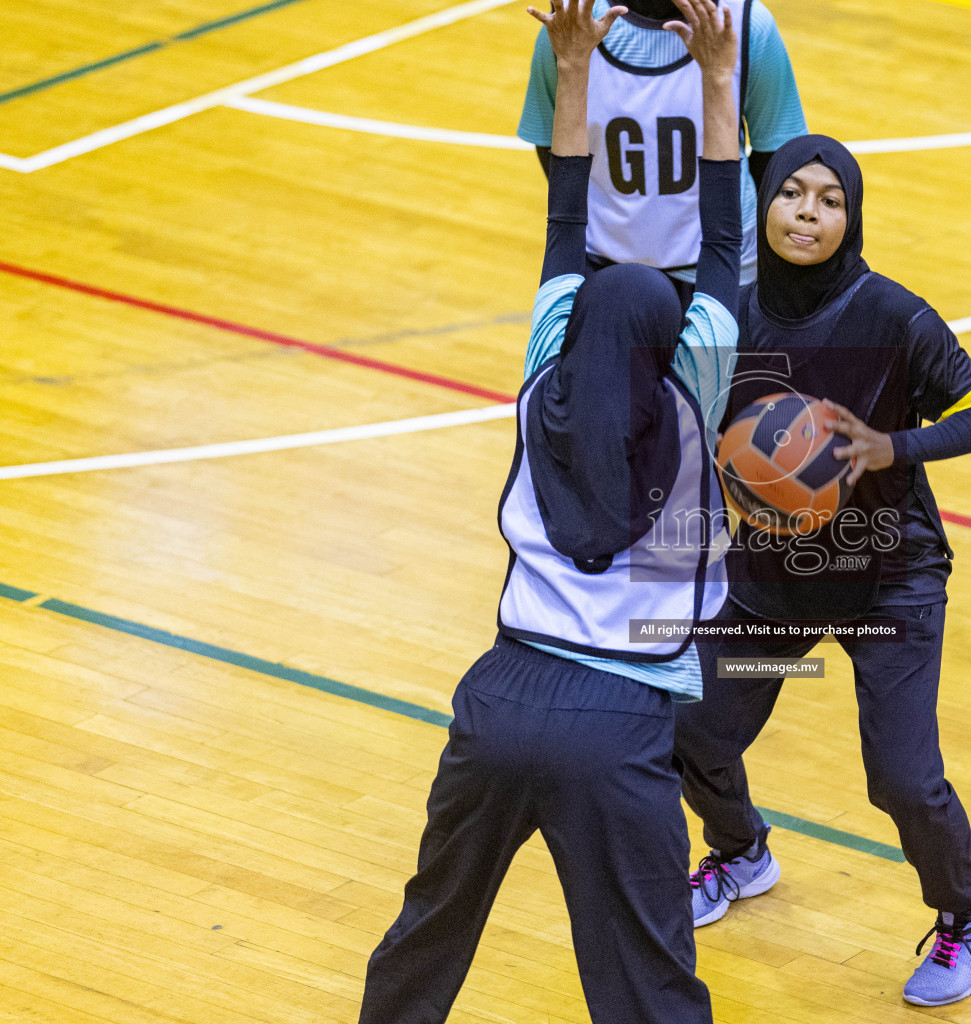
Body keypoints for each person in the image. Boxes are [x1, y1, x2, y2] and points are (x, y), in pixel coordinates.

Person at [356, 1, 741, 1021]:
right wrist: (714, 77)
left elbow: (567, 226)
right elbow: (721, 247)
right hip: (619, 719)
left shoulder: (542, 391)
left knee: (427, 931)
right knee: (648, 983)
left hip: (498, 697)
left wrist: (572, 69)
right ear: (672, 349)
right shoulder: (695, 404)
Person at [670, 134, 971, 1007]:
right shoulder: (731, 316)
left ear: (851, 218)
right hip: (772, 583)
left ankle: (969, 918)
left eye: (831, 200)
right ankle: (741, 850)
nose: (809, 213)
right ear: (766, 207)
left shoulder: (893, 316)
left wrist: (892, 445)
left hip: (889, 583)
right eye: (793, 194)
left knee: (901, 777)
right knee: (696, 729)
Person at [517, 0, 807, 292]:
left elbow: (777, 156)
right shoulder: (573, 20)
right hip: (602, 265)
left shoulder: (747, 23)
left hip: (724, 266)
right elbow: (551, 147)